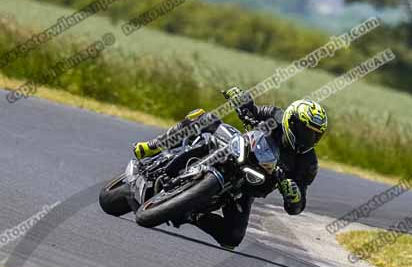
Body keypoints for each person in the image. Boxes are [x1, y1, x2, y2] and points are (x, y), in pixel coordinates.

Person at [132, 87, 328, 249]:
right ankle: (154, 146)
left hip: (250, 185)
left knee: (232, 237)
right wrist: (241, 99)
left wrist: (294, 196)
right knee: (204, 118)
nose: (308, 139)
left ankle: (193, 214)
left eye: (314, 135)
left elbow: (297, 206)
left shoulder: (308, 163)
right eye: (304, 131)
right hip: (237, 149)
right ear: (290, 121)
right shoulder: (276, 116)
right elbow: (253, 111)